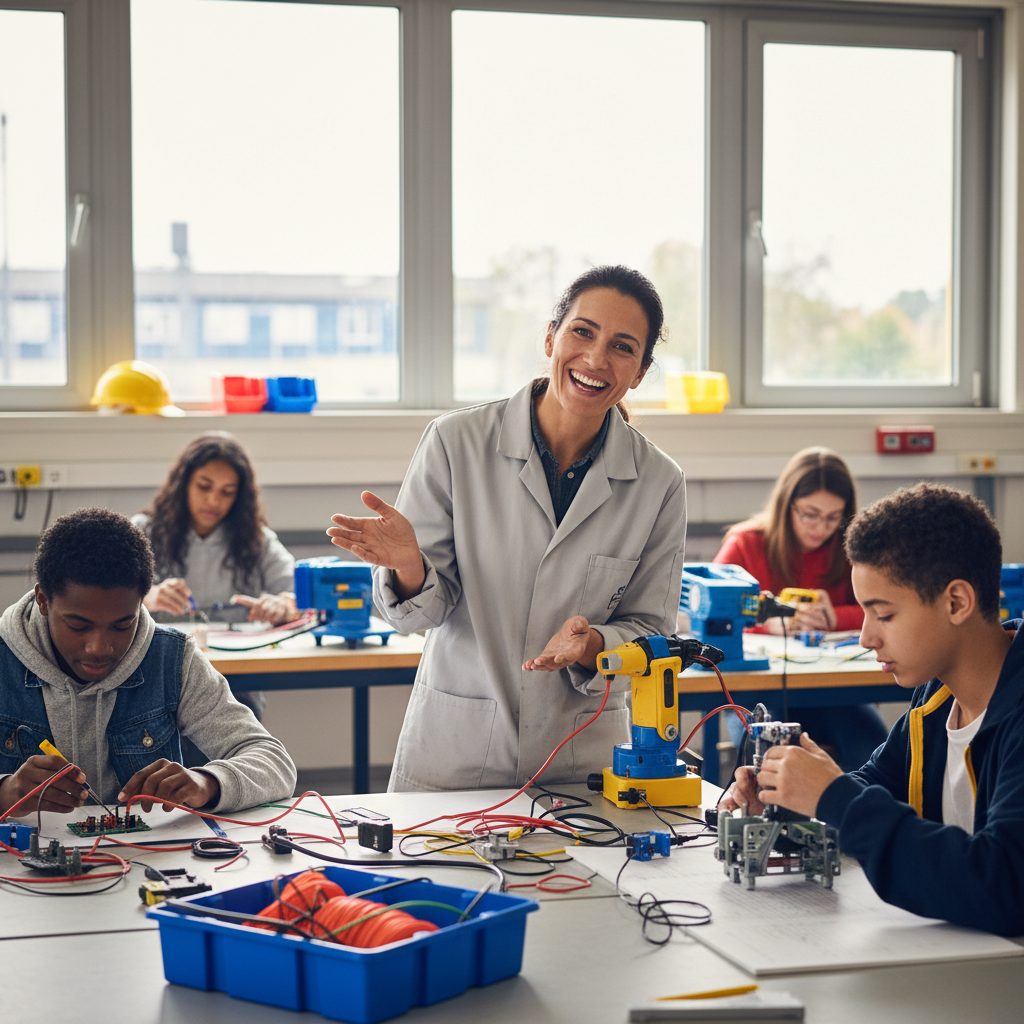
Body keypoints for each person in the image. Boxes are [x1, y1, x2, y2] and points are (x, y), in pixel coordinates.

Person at [327, 266, 686, 791]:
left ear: (639, 372)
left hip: (579, 759)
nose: (595, 359)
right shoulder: (456, 442)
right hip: (456, 752)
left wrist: (590, 646)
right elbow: (416, 617)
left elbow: (653, 634)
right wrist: (409, 566)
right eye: (582, 332)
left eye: (623, 347)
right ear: (550, 336)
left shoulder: (659, 482)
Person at [720, 484, 1024, 936]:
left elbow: (1004, 886)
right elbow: (871, 785)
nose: (865, 638)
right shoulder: (937, 702)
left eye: (883, 615)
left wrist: (834, 797)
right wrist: (792, 792)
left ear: (956, 602)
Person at [0, 507, 296, 818]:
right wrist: (6, 792)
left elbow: (274, 762)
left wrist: (206, 781)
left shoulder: (171, 658)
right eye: (78, 625)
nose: (99, 648)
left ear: (142, 602)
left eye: (121, 625)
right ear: (43, 600)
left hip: (146, 862)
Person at [713, 447, 887, 770]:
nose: (820, 527)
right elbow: (712, 617)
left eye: (834, 517)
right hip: (756, 692)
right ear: (786, 505)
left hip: (836, 692)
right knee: (766, 756)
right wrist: (767, 623)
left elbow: (889, 608)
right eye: (809, 514)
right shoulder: (746, 543)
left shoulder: (851, 546)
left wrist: (836, 616)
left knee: (875, 750)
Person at [132, 431, 297, 720]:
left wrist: (282, 604)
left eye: (227, 492)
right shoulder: (145, 531)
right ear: (183, 484)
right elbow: (105, 596)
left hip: (234, 686)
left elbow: (294, 592)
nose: (213, 500)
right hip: (159, 682)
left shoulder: (256, 539)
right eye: (204, 486)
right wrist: (148, 596)